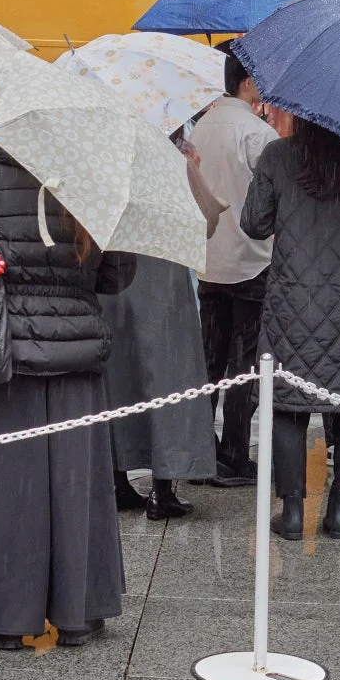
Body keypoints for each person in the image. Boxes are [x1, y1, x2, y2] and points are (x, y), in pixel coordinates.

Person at [0, 145, 137, 649]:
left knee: (6, 489)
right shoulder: (92, 176)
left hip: (7, 358)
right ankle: (78, 615)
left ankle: (6, 620)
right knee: (76, 489)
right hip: (77, 358)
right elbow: (116, 275)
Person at [240, 115, 340, 540]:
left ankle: (293, 513)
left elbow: (253, 224)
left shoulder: (277, 156)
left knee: (289, 408)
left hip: (292, 301)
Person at [101, 139, 221, 519]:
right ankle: (162, 490)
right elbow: (207, 222)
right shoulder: (172, 158)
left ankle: (117, 479)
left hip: (112, 278)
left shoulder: (104, 150)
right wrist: (193, 169)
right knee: (168, 379)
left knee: (117, 377)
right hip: (162, 279)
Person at [195, 47, 277, 486]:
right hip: (252, 261)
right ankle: (234, 454)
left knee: (210, 360)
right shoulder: (258, 135)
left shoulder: (201, 127)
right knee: (244, 364)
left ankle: (198, 450)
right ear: (247, 82)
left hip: (208, 261)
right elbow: (271, 203)